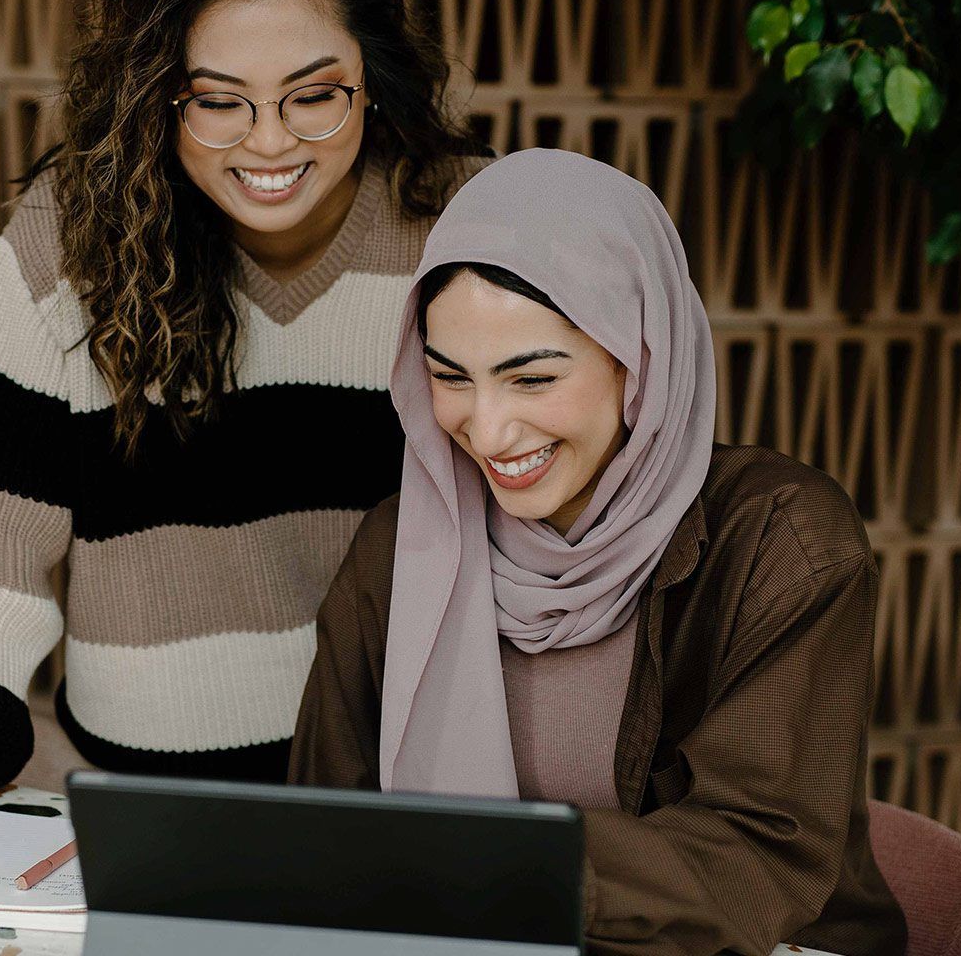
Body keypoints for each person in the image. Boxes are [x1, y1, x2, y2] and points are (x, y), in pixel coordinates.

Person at [0, 0, 487, 841]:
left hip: (409, 785)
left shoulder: (460, 223)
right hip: (146, 797)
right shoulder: (72, 238)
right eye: (218, 100)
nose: (271, 141)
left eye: (313, 96)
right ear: (159, 95)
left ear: (373, 83)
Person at [289, 149, 907, 955]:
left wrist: (493, 869)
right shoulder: (401, 549)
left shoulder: (780, 543)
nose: (488, 428)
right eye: (450, 377)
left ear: (638, 357)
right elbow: (323, 821)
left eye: (532, 379)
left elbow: (759, 857)